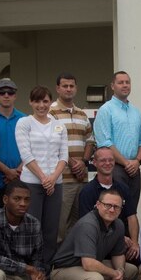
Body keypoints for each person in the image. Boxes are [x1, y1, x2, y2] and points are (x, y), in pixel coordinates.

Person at [50, 189, 141, 280]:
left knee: (130, 270)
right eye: (107, 205)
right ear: (97, 204)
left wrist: (120, 272)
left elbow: (118, 254)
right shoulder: (88, 224)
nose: (112, 209)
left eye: (116, 207)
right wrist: (114, 273)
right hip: (63, 271)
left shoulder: (118, 225)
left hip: (85, 269)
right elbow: (88, 264)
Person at [15, 86, 68, 266]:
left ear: (50, 102)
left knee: (51, 230)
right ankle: (31, 269)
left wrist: (53, 178)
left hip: (55, 183)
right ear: (31, 102)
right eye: (37, 101)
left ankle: (46, 270)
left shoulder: (59, 125)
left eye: (45, 101)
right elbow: (26, 154)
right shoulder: (24, 123)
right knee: (31, 227)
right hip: (31, 183)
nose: (41, 105)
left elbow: (64, 156)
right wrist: (44, 178)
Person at [49, 72, 96, 240]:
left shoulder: (82, 114)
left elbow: (90, 141)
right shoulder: (50, 113)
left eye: (71, 86)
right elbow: (52, 143)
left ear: (76, 88)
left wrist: (83, 162)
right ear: (58, 88)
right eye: (65, 86)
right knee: (60, 224)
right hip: (62, 179)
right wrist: (71, 163)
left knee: (79, 223)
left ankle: (73, 261)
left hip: (81, 179)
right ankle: (57, 263)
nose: (68, 89)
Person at [93, 71, 141, 209]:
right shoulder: (106, 110)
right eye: (120, 82)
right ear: (112, 86)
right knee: (114, 209)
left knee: (131, 210)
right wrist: (125, 163)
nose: (125, 85)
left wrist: (137, 161)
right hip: (115, 168)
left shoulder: (136, 112)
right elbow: (105, 143)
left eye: (127, 82)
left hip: (135, 169)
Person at [78, 146, 140, 264]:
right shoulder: (87, 192)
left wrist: (135, 243)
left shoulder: (123, 188)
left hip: (121, 244)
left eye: (111, 160)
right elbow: (86, 227)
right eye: (103, 160)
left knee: (137, 259)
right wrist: (118, 237)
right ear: (94, 163)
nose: (107, 163)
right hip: (98, 243)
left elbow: (132, 217)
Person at [0, 78, 25, 207]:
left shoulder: (24, 119)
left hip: (20, 180)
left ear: (15, 95)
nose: (6, 95)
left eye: (10, 92)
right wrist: (7, 171)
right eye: (2, 92)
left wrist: (17, 171)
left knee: (18, 222)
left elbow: (31, 148)